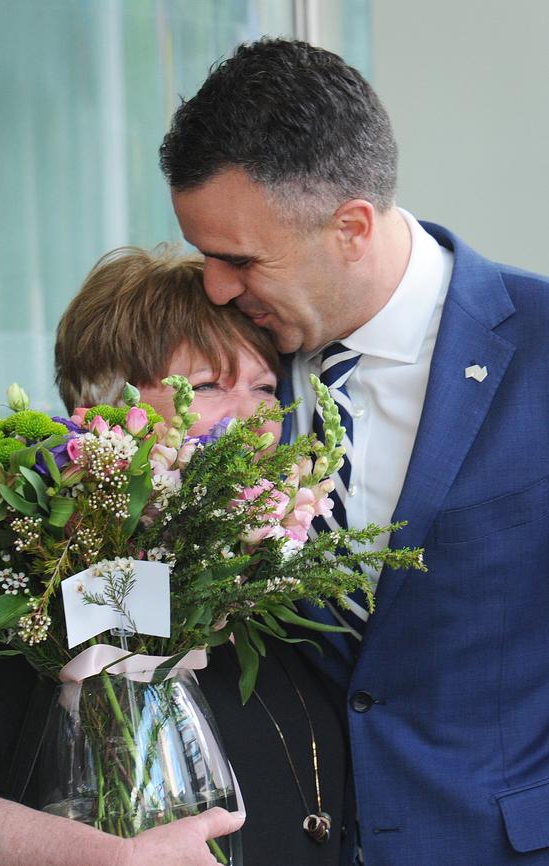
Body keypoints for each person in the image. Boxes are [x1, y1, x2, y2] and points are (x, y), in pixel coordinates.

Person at [158, 37, 549, 865]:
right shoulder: (213, 360)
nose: (216, 287)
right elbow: (131, 567)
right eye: (202, 256)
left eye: (237, 259)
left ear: (351, 227)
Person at [0, 246, 348, 866]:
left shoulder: (281, 561)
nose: (254, 416)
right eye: (209, 386)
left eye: (266, 386)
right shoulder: (38, 570)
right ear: (106, 407)